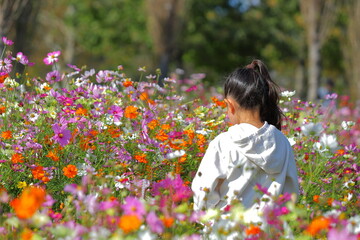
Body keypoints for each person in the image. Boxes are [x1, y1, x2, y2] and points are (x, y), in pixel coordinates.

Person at [191, 60, 299, 217]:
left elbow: (202, 196)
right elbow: (290, 196)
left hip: (226, 230)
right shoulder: (282, 143)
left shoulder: (223, 143)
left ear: (230, 105)